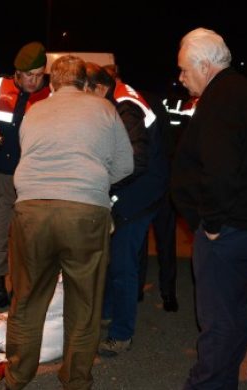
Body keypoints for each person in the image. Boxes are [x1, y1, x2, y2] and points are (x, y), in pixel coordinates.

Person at [3, 55, 133, 390]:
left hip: (32, 211)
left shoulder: (34, 111)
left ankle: (17, 376)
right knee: (85, 301)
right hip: (84, 213)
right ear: (82, 81)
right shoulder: (104, 110)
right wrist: (95, 185)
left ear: (53, 82)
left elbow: (26, 153)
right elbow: (126, 165)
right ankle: (75, 379)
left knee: (27, 296)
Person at [171, 28, 247, 389]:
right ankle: (223, 382)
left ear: (205, 66)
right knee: (235, 310)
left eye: (184, 70)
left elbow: (220, 168)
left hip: (231, 226)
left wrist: (214, 223)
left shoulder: (221, 98)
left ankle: (207, 385)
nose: (181, 78)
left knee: (218, 317)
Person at [85, 63, 170, 356]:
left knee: (122, 264)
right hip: (141, 188)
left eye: (87, 92)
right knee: (114, 259)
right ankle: (109, 312)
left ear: (99, 87)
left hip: (139, 193)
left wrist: (107, 186)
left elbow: (134, 161)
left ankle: (121, 335)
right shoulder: (120, 98)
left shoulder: (125, 106)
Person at [0, 41, 51, 313]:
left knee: (28, 238)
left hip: (34, 180)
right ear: (16, 73)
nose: (34, 81)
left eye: (39, 75)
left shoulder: (52, 95)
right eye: (28, 75)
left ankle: (24, 292)